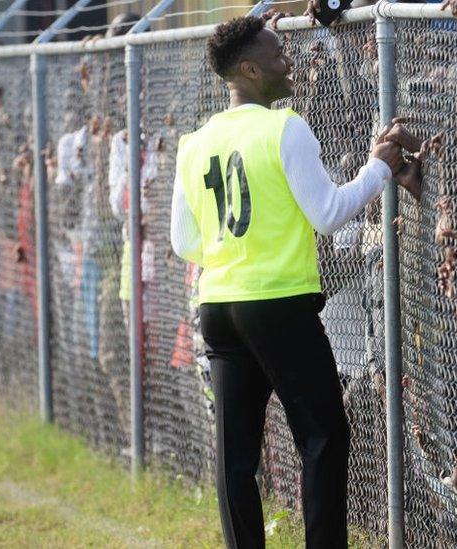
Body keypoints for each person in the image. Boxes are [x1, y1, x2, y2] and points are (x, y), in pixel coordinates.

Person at [168, 16, 419, 548]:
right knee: (323, 437)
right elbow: (328, 214)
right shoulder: (285, 127)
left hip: (218, 307)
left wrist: (232, 250)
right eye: (278, 54)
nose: (290, 61)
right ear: (250, 69)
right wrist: (378, 169)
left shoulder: (194, 142)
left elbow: (184, 241)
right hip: (278, 305)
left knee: (236, 455)